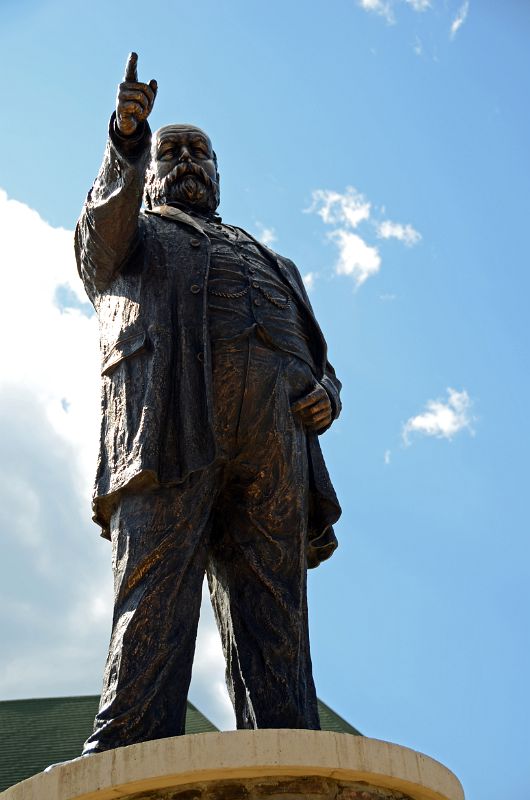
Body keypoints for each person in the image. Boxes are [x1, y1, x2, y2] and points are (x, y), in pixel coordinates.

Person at [75, 52, 342, 754]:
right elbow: (97, 244)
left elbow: (318, 355)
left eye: (200, 152)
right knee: (156, 594)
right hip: (170, 426)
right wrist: (127, 140)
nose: (188, 160)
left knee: (275, 608)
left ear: (218, 172)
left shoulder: (272, 258)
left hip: (275, 440)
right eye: (173, 151)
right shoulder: (136, 235)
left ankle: (289, 751)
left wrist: (325, 394)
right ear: (154, 171)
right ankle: (127, 755)